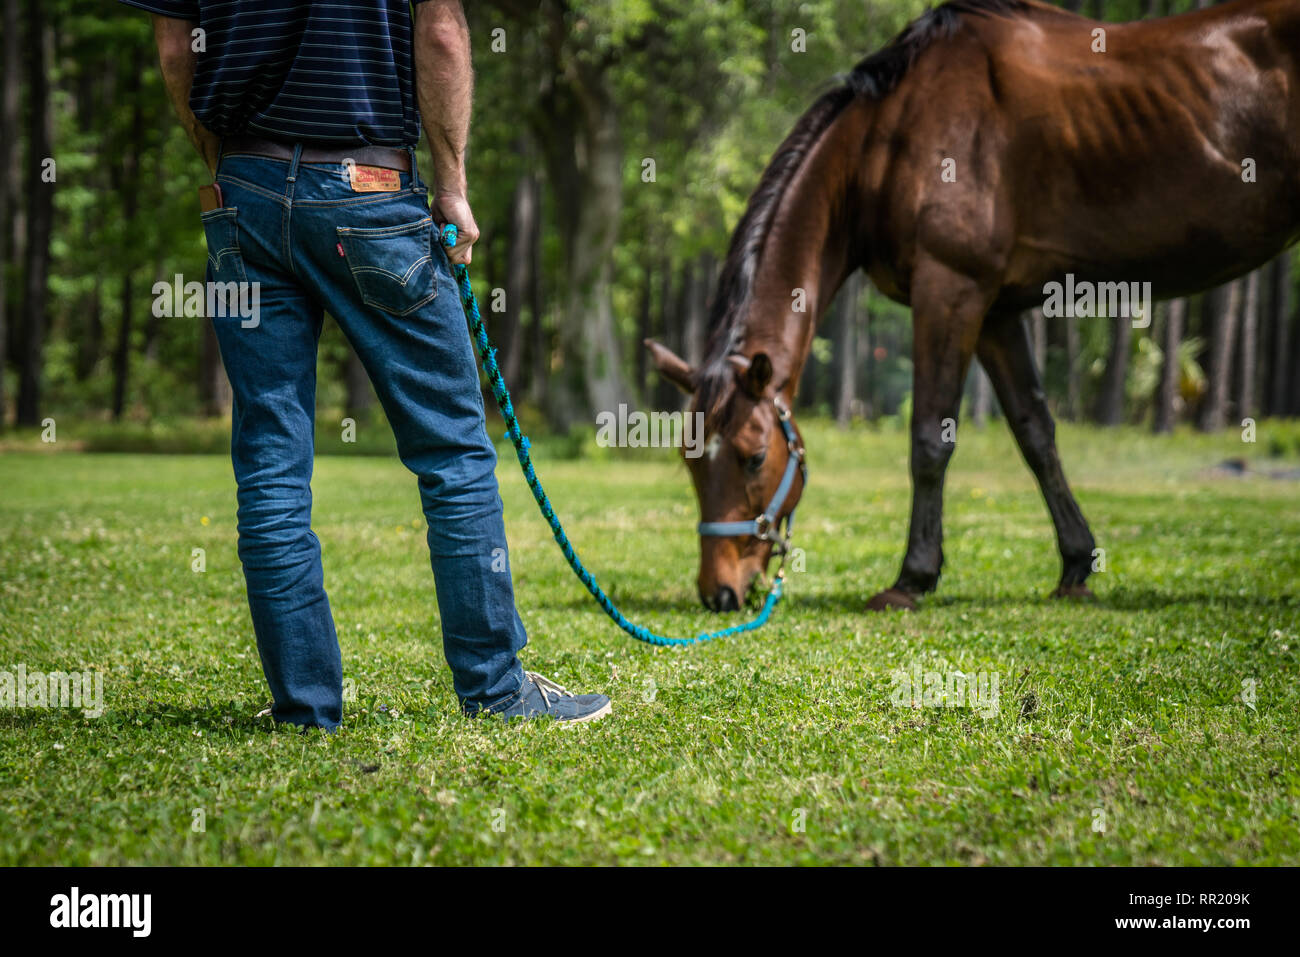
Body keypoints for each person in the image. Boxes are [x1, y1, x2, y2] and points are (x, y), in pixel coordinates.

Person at [121, 0, 611, 728]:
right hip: (371, 190)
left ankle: (304, 706)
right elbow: (441, 30)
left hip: (242, 198)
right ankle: (496, 690)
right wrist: (452, 186)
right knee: (451, 449)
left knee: (269, 464)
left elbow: (173, 48)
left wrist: (226, 162)